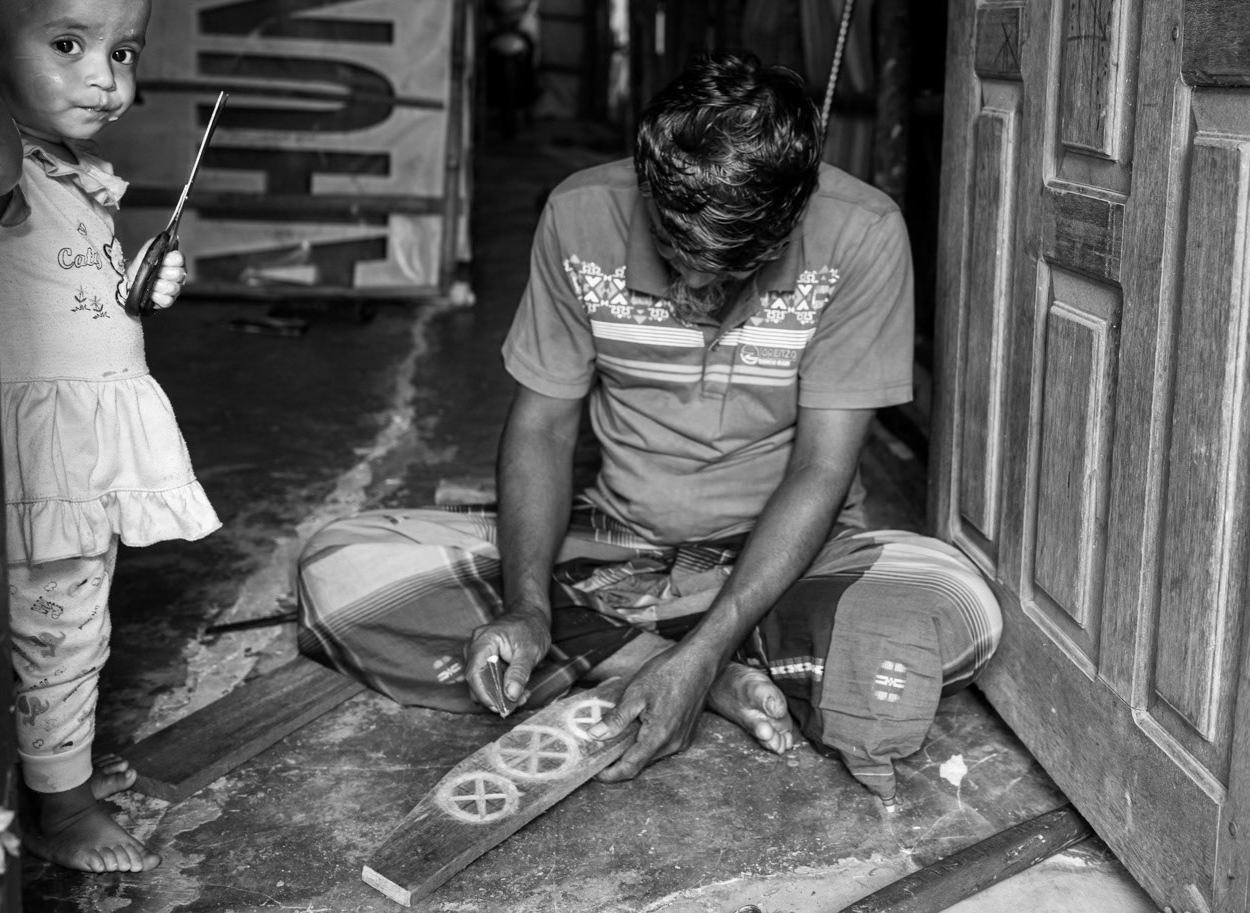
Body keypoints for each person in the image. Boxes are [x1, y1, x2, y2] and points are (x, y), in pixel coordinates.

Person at [297, 52, 1001, 803]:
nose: (695, 288)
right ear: (649, 187)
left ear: (791, 218)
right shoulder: (578, 213)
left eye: (728, 268)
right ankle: (686, 668)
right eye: (674, 247)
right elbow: (541, 429)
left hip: (789, 554)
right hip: (612, 546)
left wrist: (707, 638)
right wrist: (528, 605)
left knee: (958, 606)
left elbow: (821, 470)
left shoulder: (862, 234)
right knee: (338, 568)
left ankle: (682, 655)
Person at [0, 0, 219, 872]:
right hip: (39, 455)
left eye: (123, 52)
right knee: (55, 627)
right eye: (69, 43)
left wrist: (144, 290)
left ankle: (48, 778)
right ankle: (61, 806)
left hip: (81, 451)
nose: (104, 76)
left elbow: (86, 297)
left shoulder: (75, 175)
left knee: (71, 626)